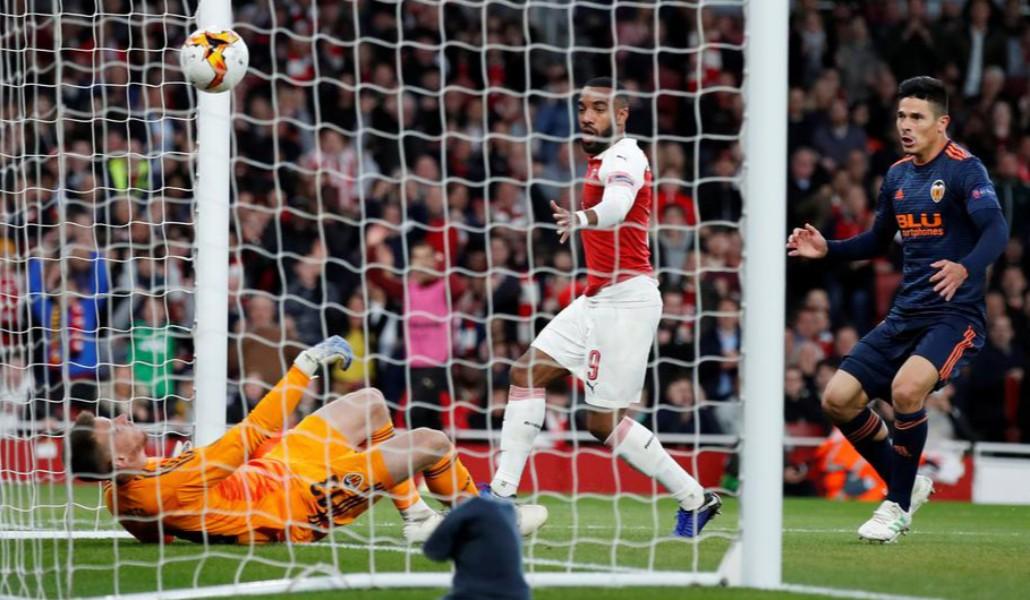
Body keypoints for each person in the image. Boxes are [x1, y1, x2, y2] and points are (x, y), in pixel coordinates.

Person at [486, 77, 720, 538]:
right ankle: (501, 494)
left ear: (621, 114)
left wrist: (580, 218)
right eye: (583, 108)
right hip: (597, 298)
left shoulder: (626, 156)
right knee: (526, 371)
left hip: (627, 301)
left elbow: (618, 204)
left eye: (598, 108)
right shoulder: (600, 158)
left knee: (602, 422)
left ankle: (695, 497)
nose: (587, 116)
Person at [786, 76, 1009, 542]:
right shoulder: (897, 175)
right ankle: (906, 483)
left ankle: (897, 505)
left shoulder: (966, 170)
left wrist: (965, 268)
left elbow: (996, 230)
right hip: (906, 313)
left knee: (906, 391)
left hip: (955, 316)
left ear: (941, 123)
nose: (906, 126)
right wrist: (828, 248)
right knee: (837, 399)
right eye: (902, 116)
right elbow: (876, 240)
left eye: (917, 117)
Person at [68, 337, 547, 545]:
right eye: (114, 427)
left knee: (371, 401)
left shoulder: (122, 489)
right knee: (433, 442)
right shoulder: (163, 488)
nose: (122, 417)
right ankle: (486, 519)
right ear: (120, 457)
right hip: (302, 502)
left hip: (281, 465)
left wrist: (192, 526)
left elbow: (153, 532)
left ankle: (417, 517)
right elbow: (250, 433)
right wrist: (304, 366)